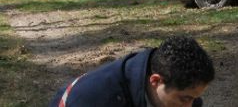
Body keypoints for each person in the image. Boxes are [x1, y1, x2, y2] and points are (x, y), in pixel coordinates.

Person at [50, 36, 215, 107]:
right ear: (155, 81)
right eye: (185, 99)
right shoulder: (94, 100)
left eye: (195, 99)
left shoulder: (182, 93)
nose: (190, 106)